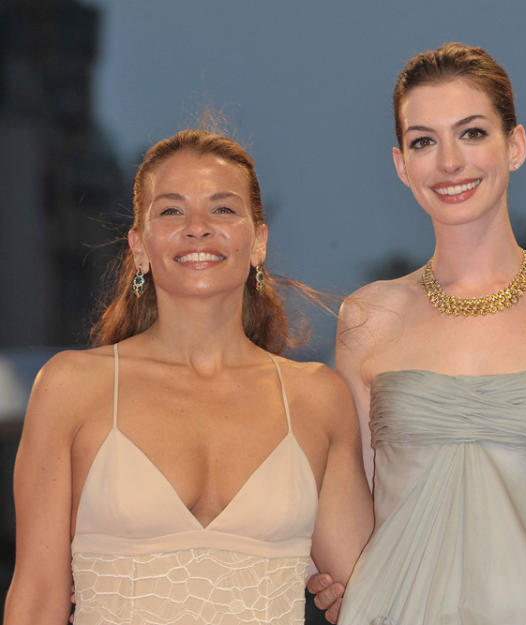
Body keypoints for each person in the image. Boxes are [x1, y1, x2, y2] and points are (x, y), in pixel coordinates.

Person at [309, 43, 526, 625]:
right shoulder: (366, 317)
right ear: (402, 164)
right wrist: (330, 578)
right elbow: (352, 504)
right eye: (424, 141)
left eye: (473, 133)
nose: (450, 162)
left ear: (516, 145)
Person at [3, 129, 373, 625]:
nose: (198, 227)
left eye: (222, 209)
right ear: (139, 246)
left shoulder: (316, 398)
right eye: (172, 210)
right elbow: (36, 598)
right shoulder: (72, 387)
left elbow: (373, 594)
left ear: (258, 241)